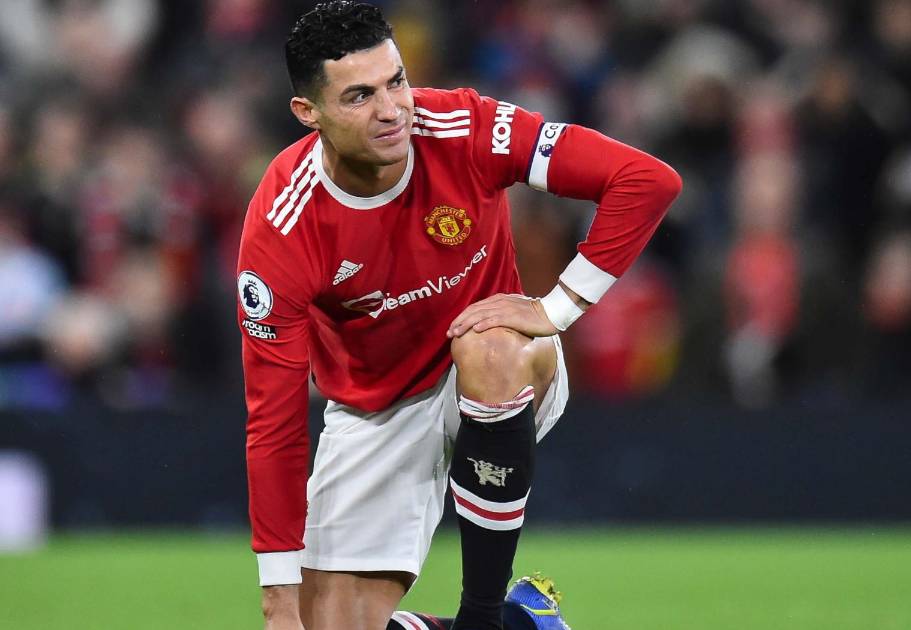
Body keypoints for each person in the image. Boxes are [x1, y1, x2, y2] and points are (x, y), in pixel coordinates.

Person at [236, 3, 681, 630]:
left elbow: (645, 180)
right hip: (377, 408)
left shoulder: (463, 127)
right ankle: (525, 624)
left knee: (489, 346)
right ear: (308, 113)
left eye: (396, 81)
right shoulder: (284, 223)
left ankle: (483, 617)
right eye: (360, 96)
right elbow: (274, 423)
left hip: (500, 365)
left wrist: (558, 306)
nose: (392, 110)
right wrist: (278, 601)